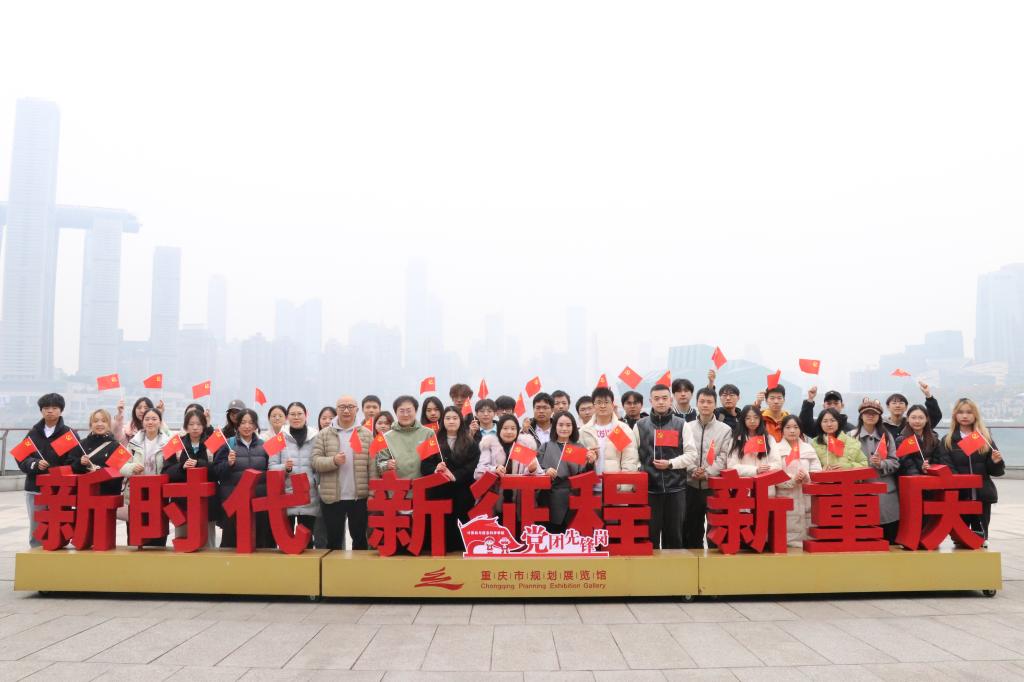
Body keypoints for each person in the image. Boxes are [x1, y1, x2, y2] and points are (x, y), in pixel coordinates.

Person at [936, 398, 1004, 544]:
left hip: (982, 495)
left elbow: (996, 471)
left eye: (969, 412)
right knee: (960, 539)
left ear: (975, 415)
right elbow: (948, 467)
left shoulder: (984, 438)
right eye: (961, 412)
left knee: (981, 539)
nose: (965, 416)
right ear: (955, 415)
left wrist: (995, 461)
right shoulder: (947, 440)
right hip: (960, 496)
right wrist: (964, 483)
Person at [633, 384, 691, 549]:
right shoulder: (640, 425)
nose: (661, 402)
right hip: (649, 490)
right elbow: (633, 456)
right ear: (650, 401)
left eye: (665, 398)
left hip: (676, 489)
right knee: (648, 538)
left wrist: (671, 464)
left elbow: (691, 454)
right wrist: (641, 471)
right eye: (656, 399)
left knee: (674, 538)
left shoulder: (681, 424)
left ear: (671, 400)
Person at [312, 395, 374, 550]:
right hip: (332, 497)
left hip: (359, 497)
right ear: (337, 409)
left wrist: (372, 494)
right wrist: (333, 461)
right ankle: (334, 567)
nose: (346, 410)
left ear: (357, 410)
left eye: (350, 407)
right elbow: (315, 461)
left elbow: (372, 466)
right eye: (342, 407)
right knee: (334, 541)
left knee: (360, 540)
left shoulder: (366, 434)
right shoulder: (324, 434)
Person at [18, 393, 78, 547]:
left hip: (60, 491)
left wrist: (57, 471)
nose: (50, 411)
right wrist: (35, 464)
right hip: (35, 488)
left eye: (54, 408)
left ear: (61, 410)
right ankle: (35, 552)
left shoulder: (69, 434)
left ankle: (58, 551)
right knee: (37, 526)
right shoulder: (33, 434)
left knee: (59, 526)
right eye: (46, 408)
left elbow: (74, 461)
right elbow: (21, 458)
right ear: (41, 410)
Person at [420, 407, 481, 552]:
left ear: (460, 421)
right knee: (440, 527)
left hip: (461, 491)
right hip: (439, 491)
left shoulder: (470, 442)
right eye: (448, 418)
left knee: (459, 523)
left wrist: (454, 475)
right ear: (442, 421)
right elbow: (424, 465)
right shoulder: (433, 441)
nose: (451, 421)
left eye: (455, 418)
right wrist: (436, 469)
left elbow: (472, 466)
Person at [212, 409, 273, 548]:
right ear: (237, 425)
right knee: (231, 544)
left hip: (258, 503)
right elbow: (216, 471)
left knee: (258, 542)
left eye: (251, 423)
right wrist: (228, 464)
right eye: (243, 422)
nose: (247, 426)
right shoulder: (228, 445)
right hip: (234, 503)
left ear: (256, 425)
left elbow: (270, 471)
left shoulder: (264, 446)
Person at [682, 388, 732, 549]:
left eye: (709, 402)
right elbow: (682, 452)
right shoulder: (687, 427)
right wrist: (692, 469)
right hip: (690, 485)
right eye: (702, 401)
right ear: (696, 403)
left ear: (715, 405)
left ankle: (714, 561)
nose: (705, 405)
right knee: (691, 528)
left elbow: (724, 457)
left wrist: (707, 472)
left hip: (713, 486)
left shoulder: (725, 429)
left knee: (715, 528)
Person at [268, 402, 319, 548]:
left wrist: (314, 481)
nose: (296, 417)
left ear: (306, 415)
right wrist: (285, 468)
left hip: (309, 495)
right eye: (292, 414)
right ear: (287, 417)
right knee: (287, 541)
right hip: (286, 495)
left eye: (299, 414)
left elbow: (319, 466)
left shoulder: (316, 437)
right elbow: (270, 467)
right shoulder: (277, 438)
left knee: (307, 540)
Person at [475, 415, 543, 525]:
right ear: (499, 429)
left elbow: (539, 474)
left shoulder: (524, 446)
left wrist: (531, 470)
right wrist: (494, 469)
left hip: (519, 505)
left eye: (513, 428)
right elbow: (478, 472)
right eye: (505, 428)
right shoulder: (490, 445)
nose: (509, 432)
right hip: (494, 503)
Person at [164, 408, 217, 548]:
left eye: (199, 424)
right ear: (186, 426)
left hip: (207, 503)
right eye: (191, 424)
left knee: (208, 543)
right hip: (182, 503)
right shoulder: (177, 444)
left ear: (204, 426)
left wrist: (199, 464)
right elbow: (166, 472)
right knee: (183, 541)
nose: (195, 427)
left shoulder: (212, 444)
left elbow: (218, 470)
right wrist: (181, 467)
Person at [537, 412, 596, 534]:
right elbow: (536, 470)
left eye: (568, 425)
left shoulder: (579, 447)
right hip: (550, 497)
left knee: (572, 534)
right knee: (553, 534)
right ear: (555, 426)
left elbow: (585, 475)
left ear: (573, 427)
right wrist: (545, 471)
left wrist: (590, 462)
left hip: (574, 497)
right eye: (561, 425)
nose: (564, 428)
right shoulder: (545, 446)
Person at [124, 407, 173, 547]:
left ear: (160, 422)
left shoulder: (168, 443)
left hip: (159, 494)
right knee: (136, 535)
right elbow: (121, 466)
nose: (150, 422)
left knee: (157, 532)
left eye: (154, 419)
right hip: (137, 494)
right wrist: (132, 468)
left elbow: (172, 467)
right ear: (142, 422)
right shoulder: (133, 442)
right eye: (147, 419)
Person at [852, 398, 900, 542]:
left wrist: (881, 464)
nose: (870, 416)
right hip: (860, 491)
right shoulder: (851, 436)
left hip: (885, 492)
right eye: (866, 413)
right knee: (864, 537)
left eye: (874, 413)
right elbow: (846, 463)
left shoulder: (887, 436)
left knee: (888, 536)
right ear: (861, 415)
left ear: (879, 416)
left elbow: (895, 462)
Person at [771, 415, 822, 547]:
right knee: (786, 539)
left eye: (796, 427)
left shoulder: (808, 448)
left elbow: (817, 472)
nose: (792, 431)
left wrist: (807, 477)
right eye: (788, 427)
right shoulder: (775, 449)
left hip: (806, 498)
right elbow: (774, 475)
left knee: (809, 540)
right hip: (785, 497)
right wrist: (793, 479)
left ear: (801, 430)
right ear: (782, 430)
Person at [581, 387, 638, 485]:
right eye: (599, 402)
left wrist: (624, 487)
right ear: (594, 406)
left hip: (615, 487)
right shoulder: (584, 431)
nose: (603, 406)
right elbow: (578, 463)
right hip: (590, 488)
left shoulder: (621, 429)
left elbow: (629, 460)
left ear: (612, 405)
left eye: (606, 402)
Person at [376, 395, 435, 479]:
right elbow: (379, 465)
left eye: (409, 410)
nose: (405, 414)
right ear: (396, 412)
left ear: (416, 411)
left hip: (425, 484)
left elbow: (435, 461)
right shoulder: (386, 438)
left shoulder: (428, 433)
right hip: (399, 486)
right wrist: (386, 465)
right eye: (402, 411)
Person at [896, 404, 941, 477]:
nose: (917, 421)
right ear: (907, 419)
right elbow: (906, 464)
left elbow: (938, 460)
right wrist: (919, 474)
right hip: (911, 479)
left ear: (926, 419)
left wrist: (930, 468)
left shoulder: (934, 439)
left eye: (921, 418)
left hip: (931, 478)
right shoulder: (902, 440)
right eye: (913, 418)